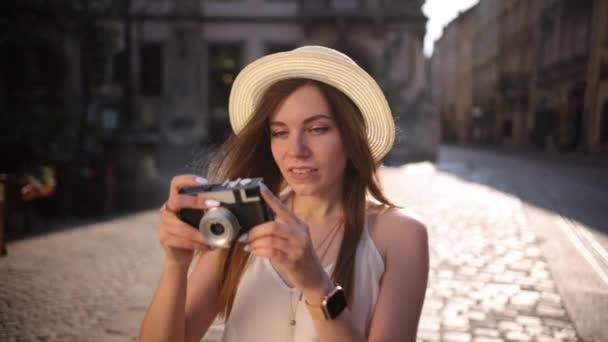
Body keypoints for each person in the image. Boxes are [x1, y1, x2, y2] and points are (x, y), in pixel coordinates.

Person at [140, 46, 429, 342]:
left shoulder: (401, 234)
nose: (297, 151)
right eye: (280, 132)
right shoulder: (242, 218)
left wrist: (318, 286)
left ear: (351, 135)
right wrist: (176, 264)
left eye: (317, 129)